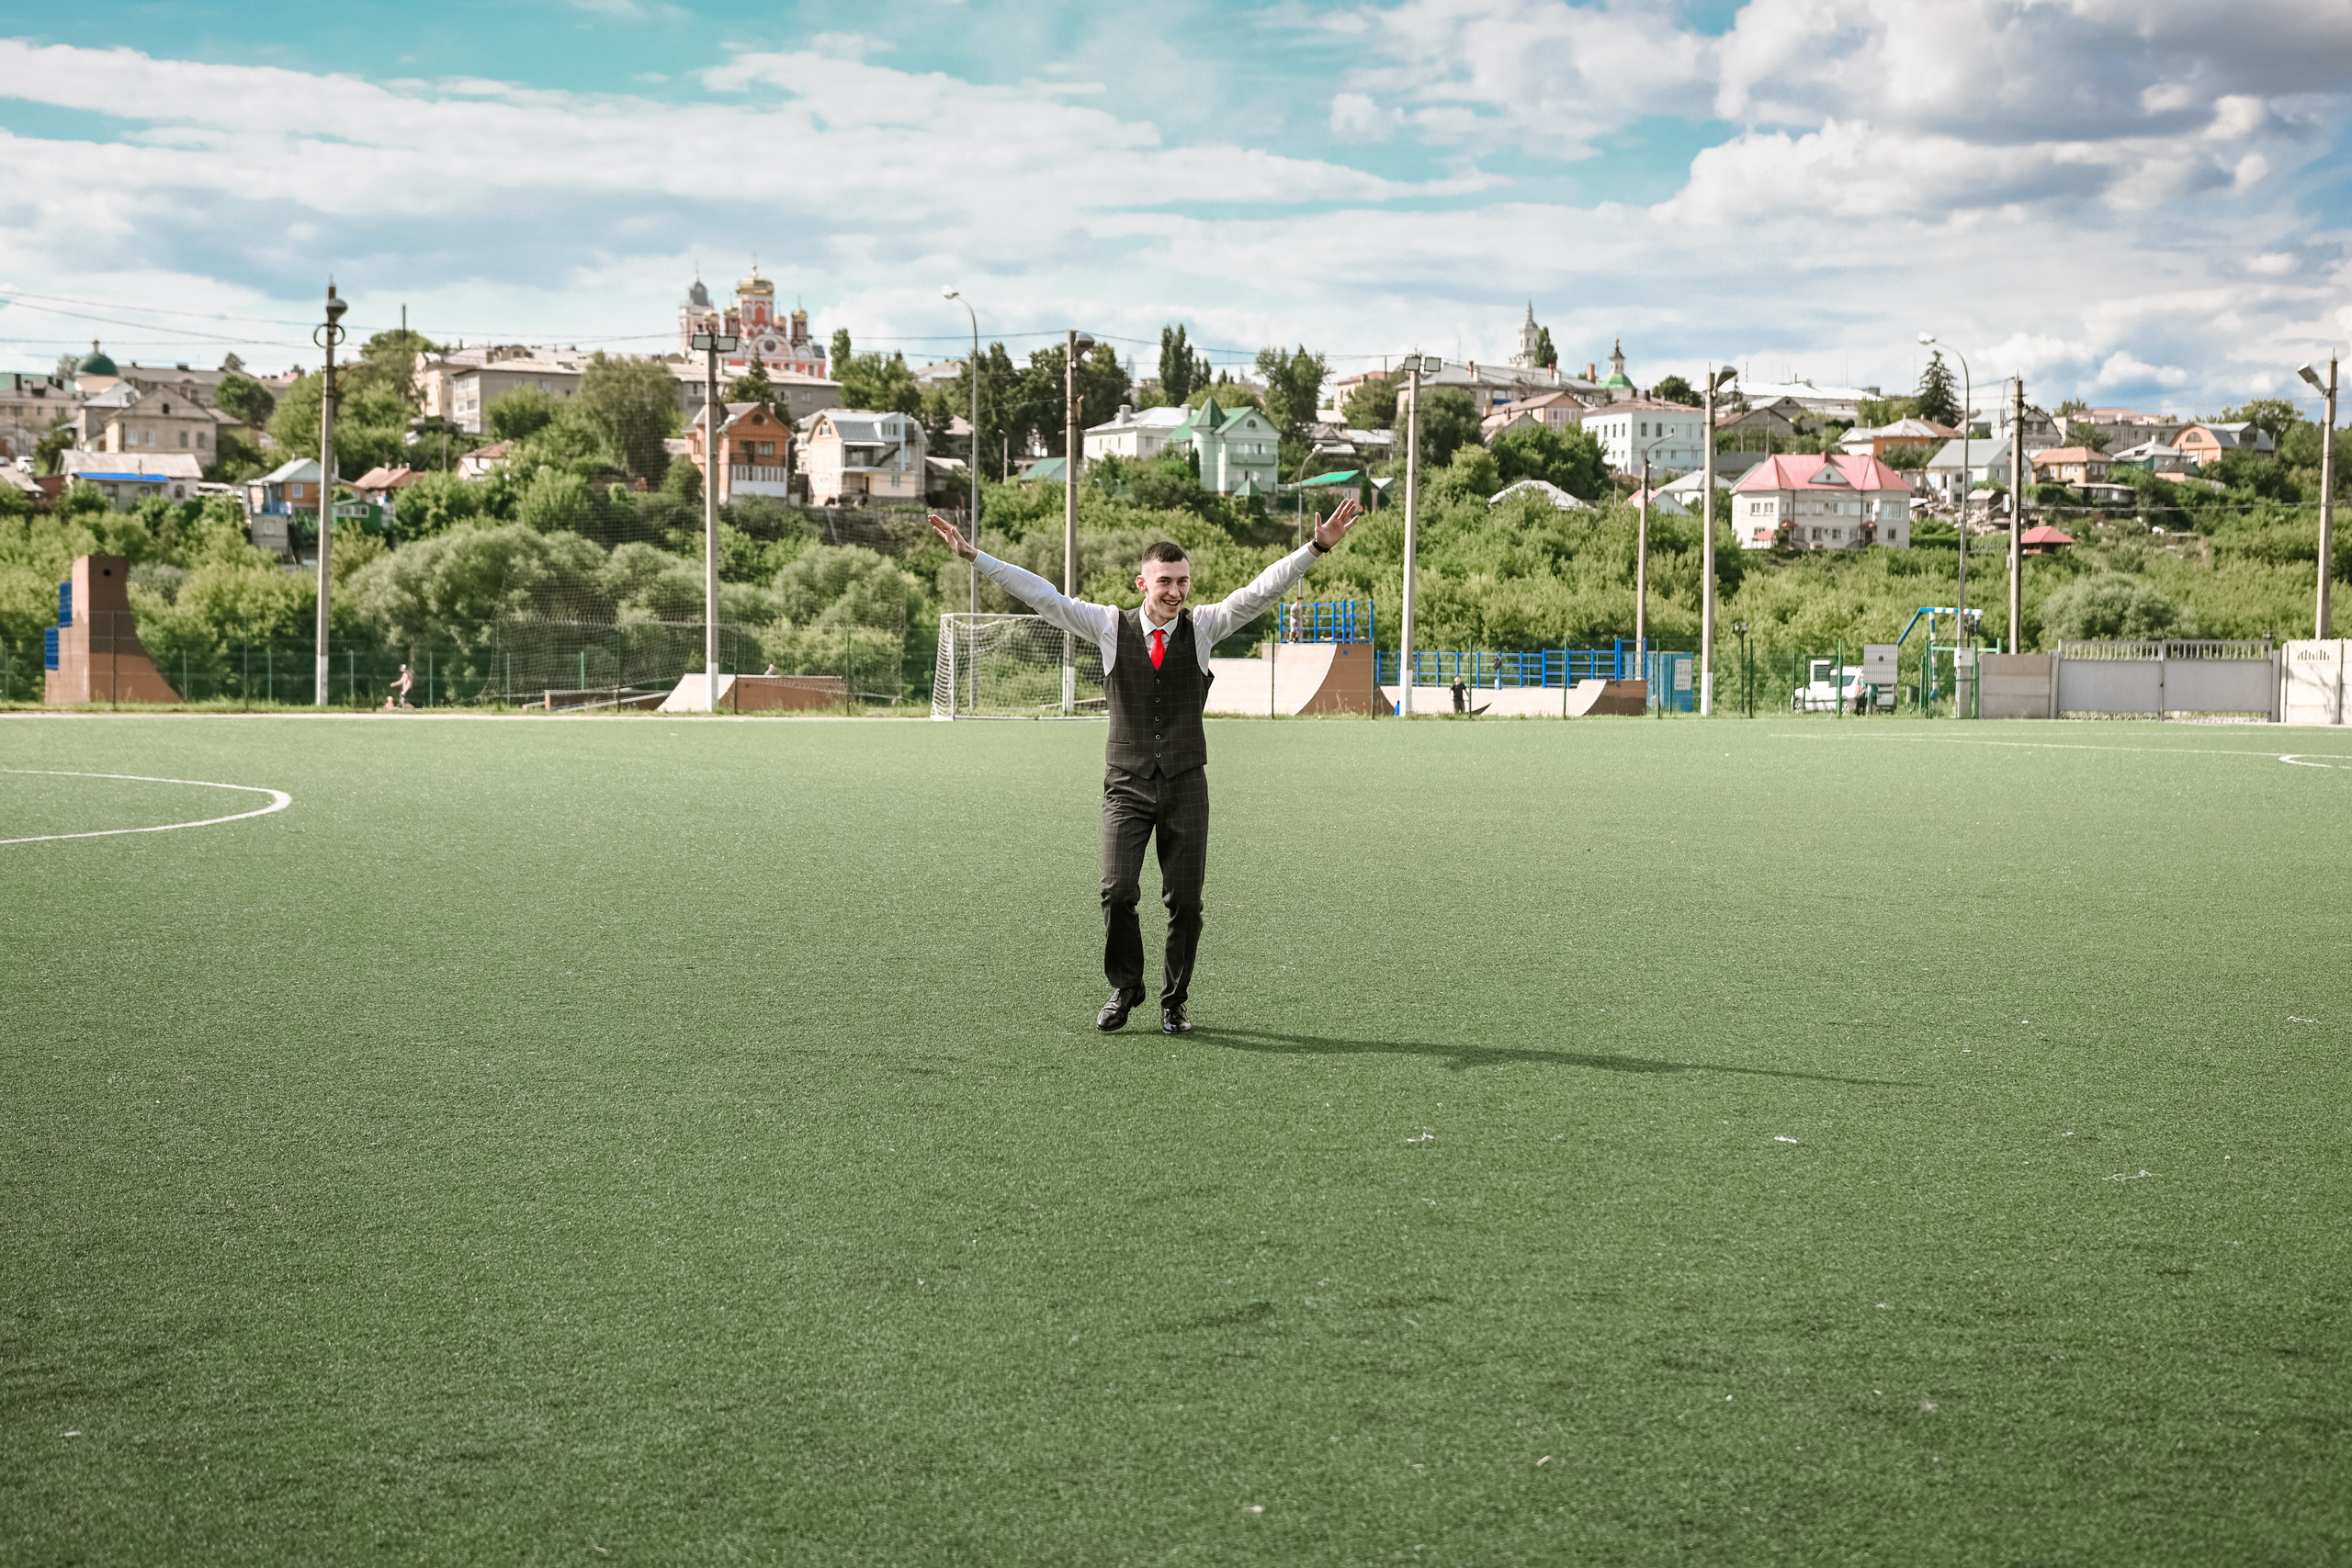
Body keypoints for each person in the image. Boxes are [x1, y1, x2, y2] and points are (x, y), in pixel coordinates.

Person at [929, 501, 1365, 1035]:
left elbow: (1259, 591)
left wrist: (1315, 547)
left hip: (1186, 786)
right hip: (1127, 787)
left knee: (1185, 903)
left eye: (1183, 581)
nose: (1176, 591)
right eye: (1165, 581)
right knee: (1117, 891)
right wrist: (976, 557)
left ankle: (1174, 999)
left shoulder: (1203, 628)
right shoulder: (1108, 627)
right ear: (1142, 582)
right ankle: (1126, 986)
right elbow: (1042, 595)